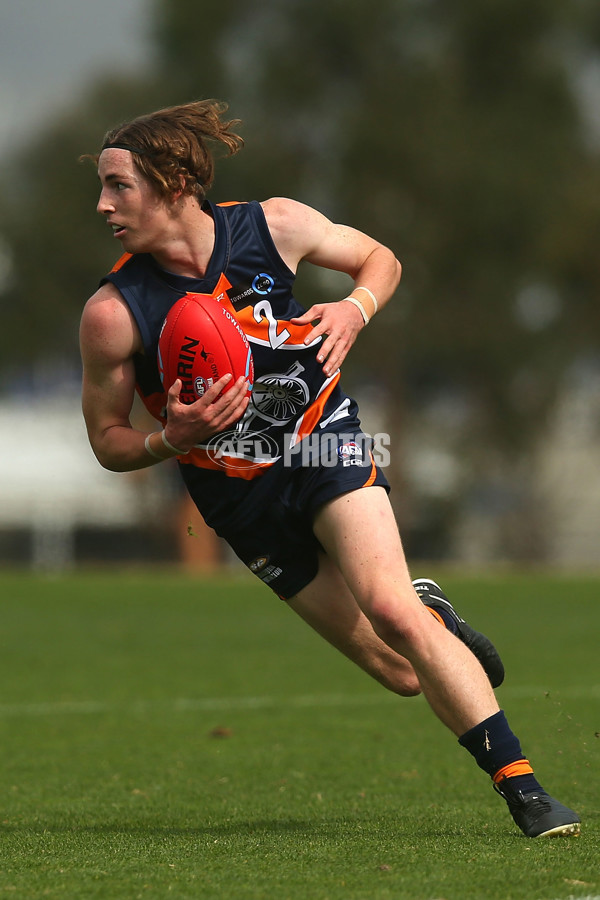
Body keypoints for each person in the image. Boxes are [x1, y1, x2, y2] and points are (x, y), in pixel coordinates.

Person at [79, 99, 580, 838]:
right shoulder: (115, 313)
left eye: (119, 185)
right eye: (103, 187)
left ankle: (525, 790)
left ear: (175, 182)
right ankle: (433, 608)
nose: (103, 204)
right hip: (238, 502)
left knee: (389, 608)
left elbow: (382, 260)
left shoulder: (273, 225)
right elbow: (108, 441)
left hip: (324, 444)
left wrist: (357, 308)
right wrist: (171, 439)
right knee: (402, 670)